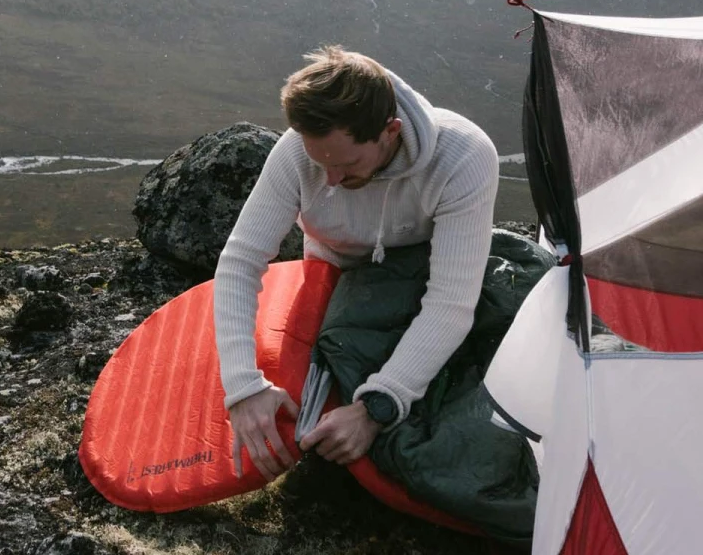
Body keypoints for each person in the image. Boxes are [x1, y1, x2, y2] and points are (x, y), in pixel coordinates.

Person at [214, 45, 499, 481]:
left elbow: (450, 302)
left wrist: (376, 408)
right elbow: (240, 260)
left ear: (390, 131)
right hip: (333, 280)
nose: (330, 179)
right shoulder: (296, 153)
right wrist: (242, 388)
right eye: (319, 162)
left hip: (420, 277)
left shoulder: (462, 157)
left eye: (346, 164)